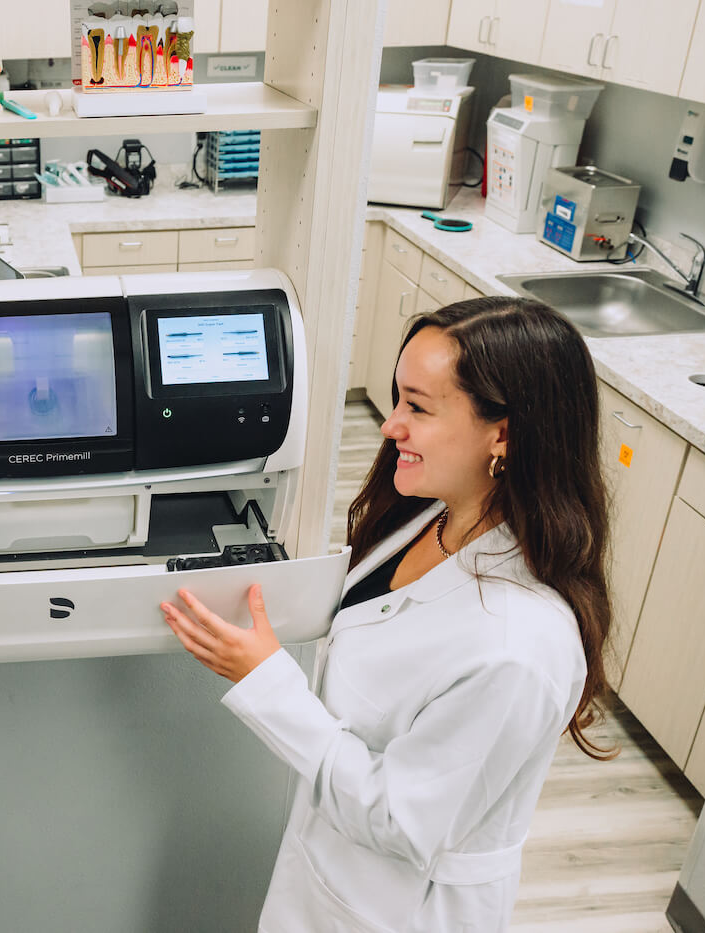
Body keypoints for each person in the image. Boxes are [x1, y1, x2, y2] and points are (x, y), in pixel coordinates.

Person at [161, 297, 612, 932]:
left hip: (400, 909)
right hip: (333, 870)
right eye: (398, 398)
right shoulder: (439, 514)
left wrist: (266, 682)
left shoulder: (519, 648)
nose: (388, 424)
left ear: (503, 433)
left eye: (418, 407)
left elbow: (402, 819)